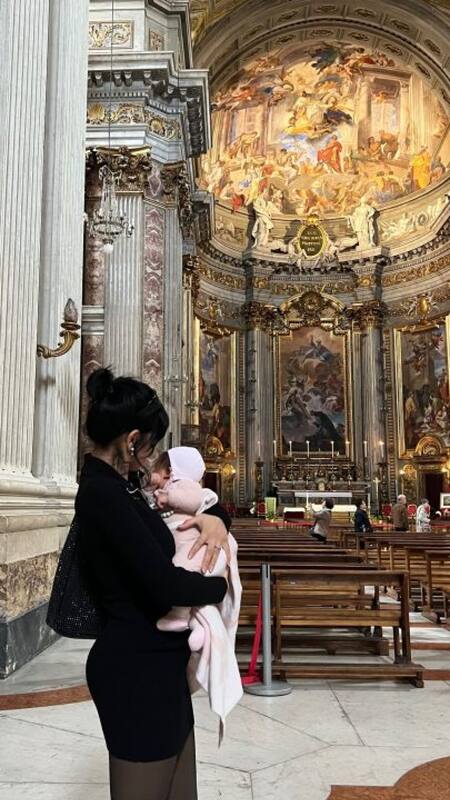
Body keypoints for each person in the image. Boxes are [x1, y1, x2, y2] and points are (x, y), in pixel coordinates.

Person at [76, 368, 231, 800]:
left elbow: (193, 508)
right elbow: (164, 585)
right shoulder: (101, 493)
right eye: (150, 444)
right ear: (131, 439)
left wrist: (217, 519)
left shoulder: (121, 488)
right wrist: (221, 591)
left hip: (160, 668)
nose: (150, 456)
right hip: (134, 671)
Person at [149, 447, 243, 739]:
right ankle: (197, 623)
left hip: (187, 558)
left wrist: (214, 519)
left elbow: (208, 507)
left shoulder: (179, 490)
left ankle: (186, 618)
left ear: (170, 472)